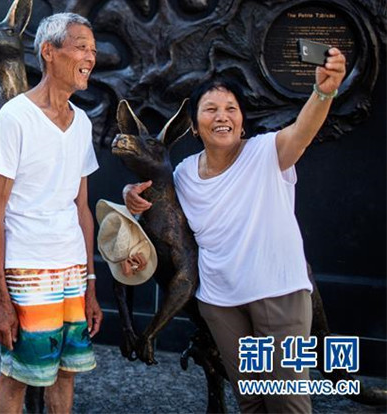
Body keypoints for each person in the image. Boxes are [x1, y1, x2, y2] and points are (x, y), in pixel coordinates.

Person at [124, 47, 346, 413]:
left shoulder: (266, 152)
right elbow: (158, 208)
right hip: (220, 303)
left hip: (278, 294)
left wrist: (323, 92)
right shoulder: (184, 174)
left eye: (231, 109)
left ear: (242, 121)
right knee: (251, 401)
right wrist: (130, 194)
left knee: (288, 401)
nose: (222, 116)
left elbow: (302, 132)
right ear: (194, 125)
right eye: (210, 110)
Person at [0, 12, 103, 413]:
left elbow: (81, 208)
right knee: (18, 376)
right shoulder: (15, 117)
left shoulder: (82, 123)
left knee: (65, 372)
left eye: (93, 49)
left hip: (70, 270)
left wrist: (89, 283)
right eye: (81, 46)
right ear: (49, 52)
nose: (90, 56)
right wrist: (0, 302)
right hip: (28, 270)